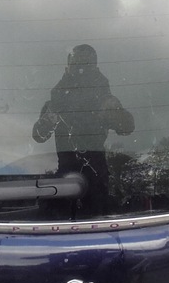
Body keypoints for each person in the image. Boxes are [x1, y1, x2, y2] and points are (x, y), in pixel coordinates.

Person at [32, 45, 134, 215]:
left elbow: (127, 128)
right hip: (64, 178)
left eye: (86, 64)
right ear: (67, 68)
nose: (81, 70)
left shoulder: (104, 101)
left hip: (98, 175)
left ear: (95, 68)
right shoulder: (55, 102)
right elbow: (38, 136)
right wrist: (51, 117)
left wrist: (114, 111)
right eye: (77, 64)